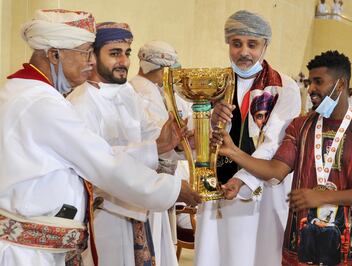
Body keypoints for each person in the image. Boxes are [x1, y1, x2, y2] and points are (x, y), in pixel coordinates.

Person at [0, 10, 201, 266]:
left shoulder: (23, 91)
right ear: (54, 54)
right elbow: (103, 162)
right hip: (29, 253)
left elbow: (98, 154)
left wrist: (156, 148)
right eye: (85, 52)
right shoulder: (40, 102)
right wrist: (173, 189)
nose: (90, 62)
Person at [213, 50, 352, 265]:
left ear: (341, 84)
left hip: (347, 250)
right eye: (309, 82)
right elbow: (276, 170)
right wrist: (234, 151)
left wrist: (324, 197)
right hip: (298, 248)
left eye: (318, 82)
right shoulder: (301, 126)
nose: (311, 89)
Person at [195, 10, 301, 266]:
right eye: (236, 43)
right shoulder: (212, 85)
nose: (244, 52)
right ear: (228, 44)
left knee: (254, 255)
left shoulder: (283, 87)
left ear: (265, 45)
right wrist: (208, 119)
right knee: (215, 253)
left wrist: (242, 179)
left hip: (261, 193)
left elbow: (276, 143)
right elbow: (194, 137)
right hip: (216, 190)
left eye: (252, 44)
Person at [130, 40, 192, 266]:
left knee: (158, 241)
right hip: (149, 176)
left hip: (157, 177)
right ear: (163, 68)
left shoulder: (156, 91)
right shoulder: (142, 92)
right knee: (152, 242)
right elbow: (161, 141)